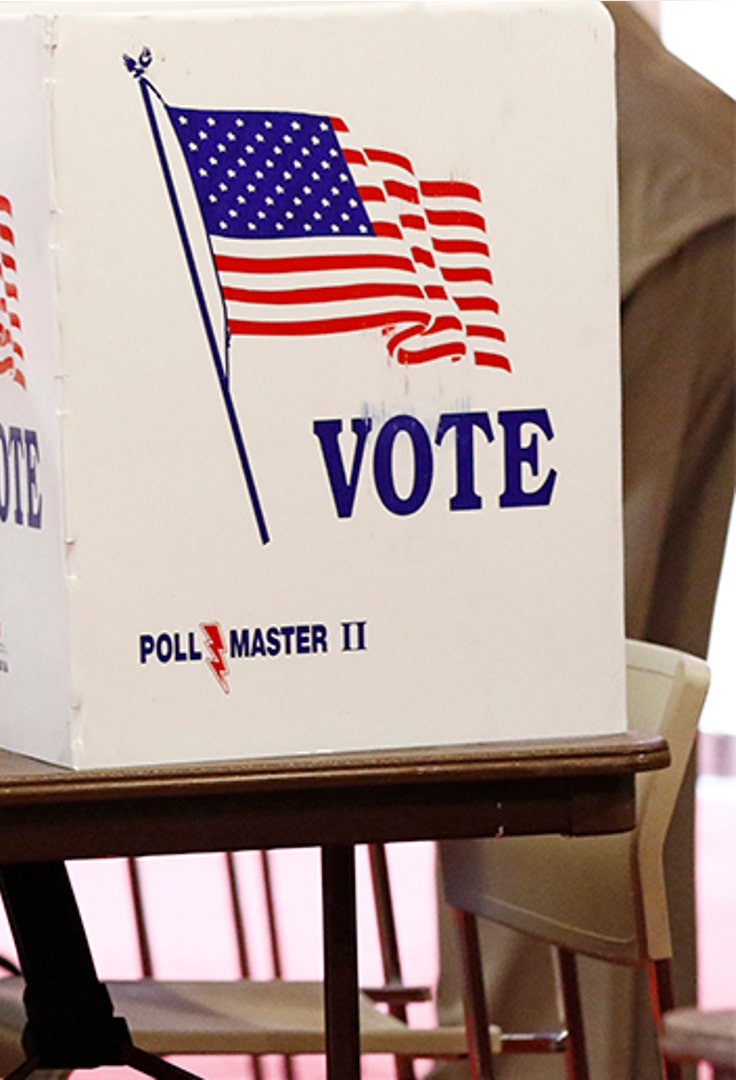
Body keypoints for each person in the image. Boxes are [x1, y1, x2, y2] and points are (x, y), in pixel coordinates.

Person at [430, 6, 735, 1077]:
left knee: (562, 708)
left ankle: (533, 1056)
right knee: (614, 698)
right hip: (655, 175)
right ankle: (571, 1054)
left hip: (624, 189)